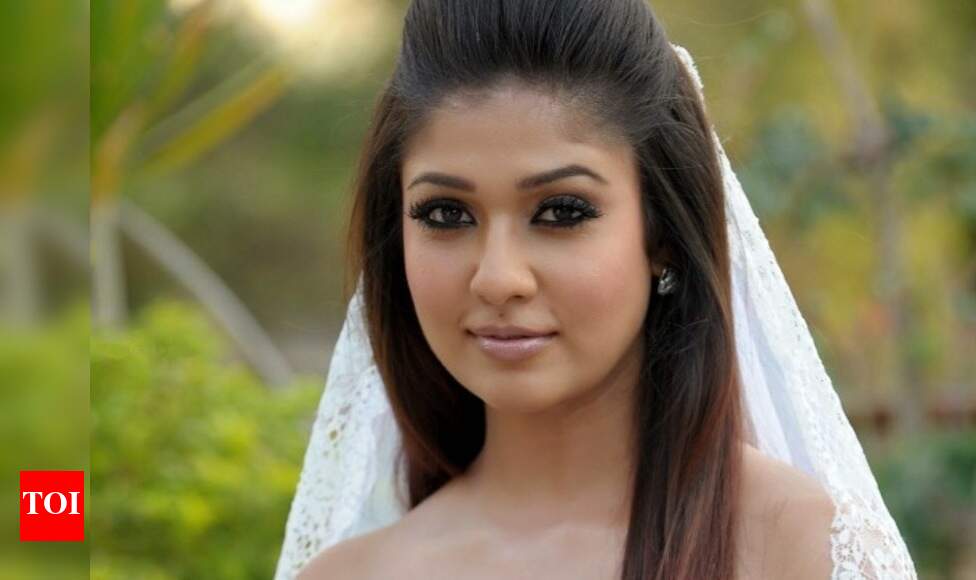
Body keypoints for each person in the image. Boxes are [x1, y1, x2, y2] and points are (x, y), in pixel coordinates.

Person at [276, 1, 918, 578]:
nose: (498, 277)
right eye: (446, 214)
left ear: (662, 235)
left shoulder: (801, 550)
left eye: (561, 211)